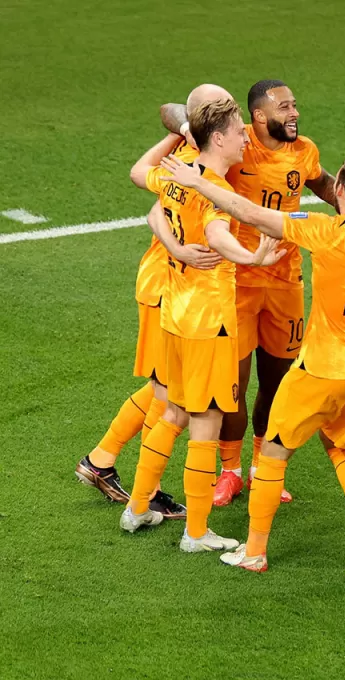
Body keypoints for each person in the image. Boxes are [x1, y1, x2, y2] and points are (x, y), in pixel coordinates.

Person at [160, 123, 345, 576]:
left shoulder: (325, 231)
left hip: (323, 367)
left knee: (271, 455)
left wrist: (198, 180)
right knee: (343, 448)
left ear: (339, 189)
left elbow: (247, 213)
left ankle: (254, 551)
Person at [161, 80, 338, 506]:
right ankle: (231, 471)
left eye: (296, 104)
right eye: (285, 107)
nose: (294, 113)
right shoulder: (237, 146)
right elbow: (169, 109)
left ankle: (262, 466)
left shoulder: (304, 150)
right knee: (234, 384)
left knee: (277, 379)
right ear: (258, 117)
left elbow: (322, 182)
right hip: (238, 280)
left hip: (285, 282)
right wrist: (191, 126)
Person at [121, 98, 285, 554]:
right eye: (238, 133)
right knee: (206, 422)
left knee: (172, 411)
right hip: (208, 322)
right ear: (218, 138)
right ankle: (195, 532)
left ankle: (137, 507)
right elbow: (215, 234)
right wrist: (252, 257)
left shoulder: (180, 171)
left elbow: (147, 193)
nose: (245, 139)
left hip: (174, 315)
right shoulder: (208, 184)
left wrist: (174, 246)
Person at [74, 85, 232, 518]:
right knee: (168, 396)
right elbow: (168, 114)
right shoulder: (191, 165)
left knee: (163, 390)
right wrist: (183, 131)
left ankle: (106, 462)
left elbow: (146, 166)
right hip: (169, 289)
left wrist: (183, 130)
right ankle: (139, 487)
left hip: (169, 287)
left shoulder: (189, 159)